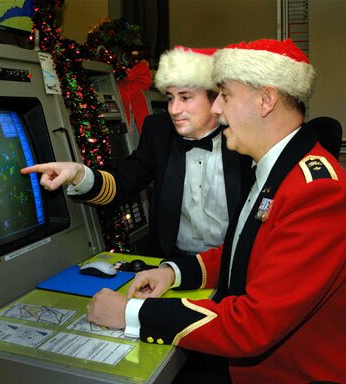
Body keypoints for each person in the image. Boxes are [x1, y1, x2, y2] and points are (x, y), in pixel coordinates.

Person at [86, 38, 346, 383]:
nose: (217, 109)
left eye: (224, 95)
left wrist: (131, 312)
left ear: (265, 100)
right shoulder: (279, 167)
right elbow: (246, 251)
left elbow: (253, 326)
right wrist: (173, 273)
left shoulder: (316, 191)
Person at [21, 47, 251, 258]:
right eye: (170, 98)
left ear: (216, 99)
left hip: (234, 262)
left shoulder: (245, 135)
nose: (174, 109)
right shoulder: (159, 131)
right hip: (172, 261)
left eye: (185, 98)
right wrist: (78, 174)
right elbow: (123, 181)